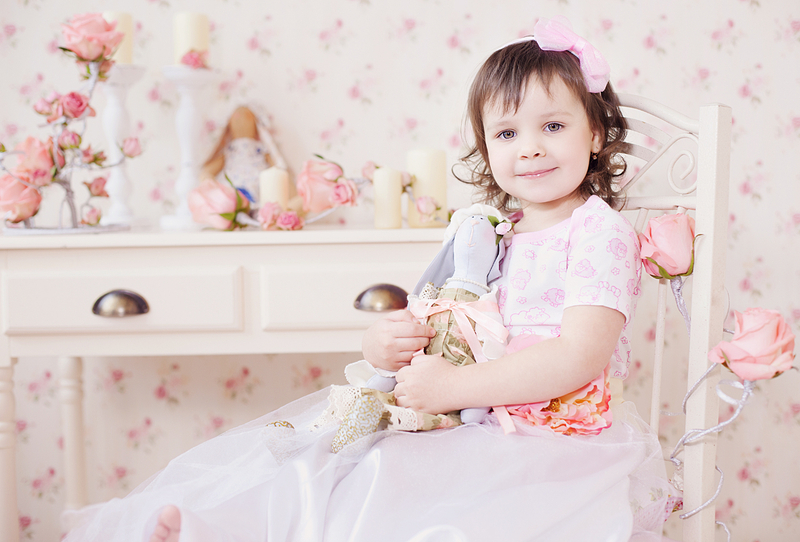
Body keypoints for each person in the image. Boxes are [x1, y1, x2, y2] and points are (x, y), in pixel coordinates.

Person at [62, 17, 675, 542]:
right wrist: (389, 343)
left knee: (384, 480)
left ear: (596, 134)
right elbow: (442, 314)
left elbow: (578, 355)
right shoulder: (491, 231)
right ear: (487, 148)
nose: (530, 148)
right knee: (325, 451)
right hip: (472, 411)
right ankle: (215, 523)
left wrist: (455, 387)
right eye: (507, 133)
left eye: (553, 127)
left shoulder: (598, 232)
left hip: (551, 438)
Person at [200, 105, 287, 203]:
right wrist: (207, 179)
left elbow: (277, 169)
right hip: (231, 192)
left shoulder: (260, 149)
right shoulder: (229, 151)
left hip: (256, 190)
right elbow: (207, 172)